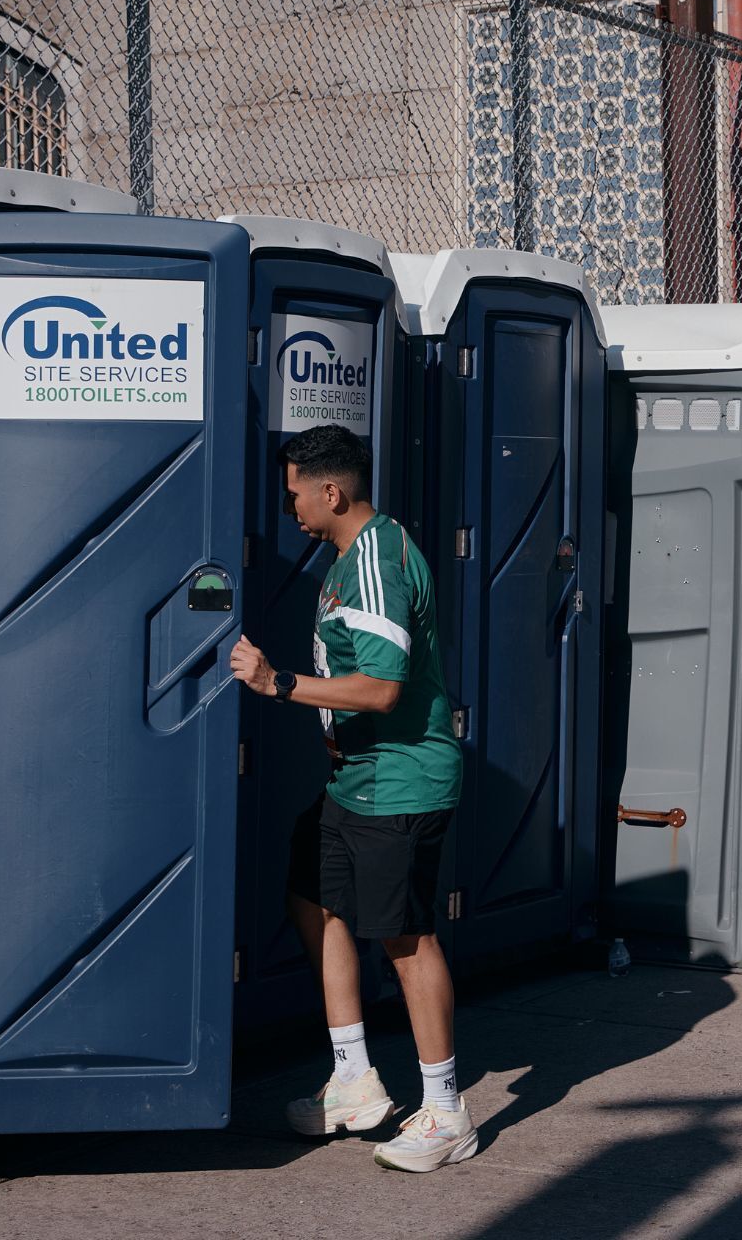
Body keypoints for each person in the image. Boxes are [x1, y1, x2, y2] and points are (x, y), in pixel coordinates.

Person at [228, 424, 475, 1172]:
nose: (289, 505)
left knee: (405, 938)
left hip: (399, 781)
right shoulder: (353, 553)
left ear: (330, 491)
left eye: (295, 492)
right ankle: (354, 1077)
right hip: (356, 780)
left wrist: (280, 685)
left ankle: (446, 1111)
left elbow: (382, 687)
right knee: (312, 898)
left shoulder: (374, 566)